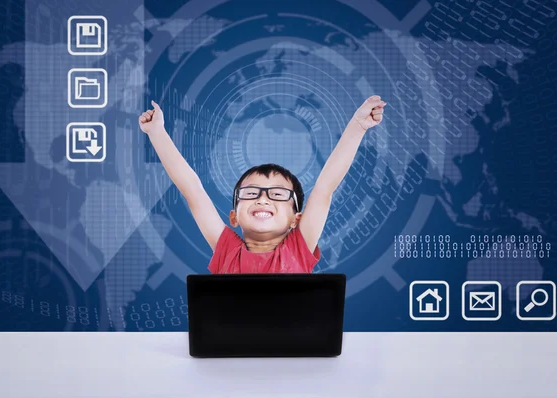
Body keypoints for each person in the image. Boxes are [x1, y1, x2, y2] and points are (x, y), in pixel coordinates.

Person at [139, 96, 386, 273]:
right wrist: (156, 133)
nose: (263, 198)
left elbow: (324, 188)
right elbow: (192, 189)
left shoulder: (299, 247)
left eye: (278, 194)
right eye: (250, 193)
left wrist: (357, 127)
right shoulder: (226, 250)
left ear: (295, 219)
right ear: (234, 217)